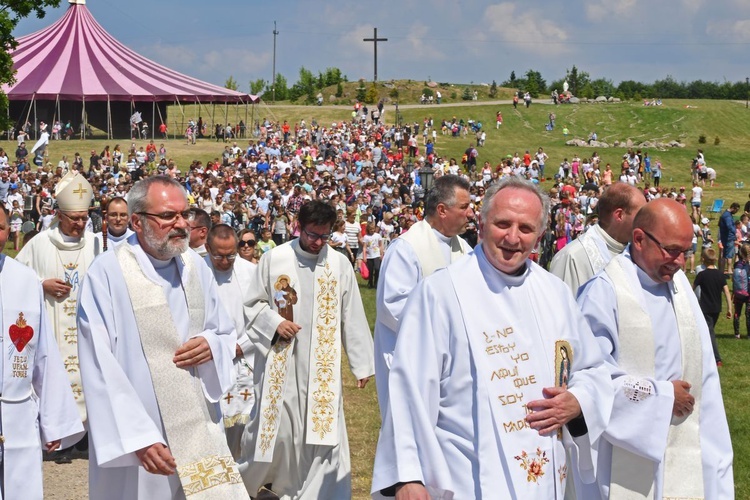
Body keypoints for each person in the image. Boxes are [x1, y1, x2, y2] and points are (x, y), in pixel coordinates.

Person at [371, 177, 612, 499]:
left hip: (542, 478)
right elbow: (409, 389)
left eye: (525, 229)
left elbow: (593, 368)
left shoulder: (554, 293)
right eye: (502, 224)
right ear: (482, 225)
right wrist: (407, 476)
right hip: (466, 474)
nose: (513, 238)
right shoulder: (440, 293)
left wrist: (578, 400)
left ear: (539, 236)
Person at [77, 176, 246, 499]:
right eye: (169, 216)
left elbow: (223, 330)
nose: (181, 224)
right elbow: (99, 363)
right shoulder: (108, 273)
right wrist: (137, 437)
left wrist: (211, 345)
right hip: (143, 429)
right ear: (137, 222)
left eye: (184, 214)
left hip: (197, 423)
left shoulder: (195, 266)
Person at [577, 198, 733, 499]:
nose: (679, 262)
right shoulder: (603, 292)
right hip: (627, 453)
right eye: (672, 250)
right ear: (638, 239)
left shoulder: (681, 288)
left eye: (686, 252)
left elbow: (705, 375)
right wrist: (660, 398)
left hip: (685, 443)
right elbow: (587, 378)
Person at [239, 200, 374, 499]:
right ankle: (261, 483)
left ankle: (315, 491)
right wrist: (274, 323)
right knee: (280, 432)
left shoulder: (338, 264)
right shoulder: (274, 259)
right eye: (312, 234)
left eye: (324, 236)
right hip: (282, 362)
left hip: (321, 367)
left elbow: (351, 314)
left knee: (322, 434)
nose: (317, 242)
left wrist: (362, 363)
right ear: (298, 227)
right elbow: (252, 304)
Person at [0, 204, 85, 499]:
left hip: (17, 413)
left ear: (10, 230)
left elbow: (43, 355)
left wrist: (54, 420)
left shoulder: (25, 280)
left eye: (0, 227)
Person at [373, 175, 473, 417]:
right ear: (442, 210)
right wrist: (446, 331)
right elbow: (393, 306)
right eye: (464, 207)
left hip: (452, 365)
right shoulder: (407, 248)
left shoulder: (465, 250)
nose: (471, 213)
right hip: (412, 359)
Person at [16, 171, 97, 456]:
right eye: (74, 218)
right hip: (52, 330)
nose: (80, 224)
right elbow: (14, 281)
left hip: (87, 331)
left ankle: (88, 437)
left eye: (84, 218)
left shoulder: (97, 244)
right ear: (58, 214)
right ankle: (58, 438)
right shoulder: (39, 244)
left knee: (91, 376)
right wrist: (41, 285)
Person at [204, 224, 257, 460]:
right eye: (219, 256)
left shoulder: (251, 272)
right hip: (209, 358)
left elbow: (260, 317)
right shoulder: (196, 273)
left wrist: (240, 346)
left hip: (244, 356)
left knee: (246, 423)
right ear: (207, 248)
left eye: (231, 255)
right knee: (211, 423)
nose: (225, 261)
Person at [550, 182, 646, 295]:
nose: (646, 221)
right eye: (641, 215)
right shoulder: (573, 257)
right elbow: (560, 308)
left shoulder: (638, 253)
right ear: (619, 215)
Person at [694, 248, 732, 365]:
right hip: (716, 308)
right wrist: (729, 308)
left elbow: (692, 289)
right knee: (707, 331)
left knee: (709, 332)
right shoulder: (720, 275)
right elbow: (726, 292)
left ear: (703, 259)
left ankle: (716, 359)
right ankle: (705, 354)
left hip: (705, 307)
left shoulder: (701, 275)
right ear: (715, 260)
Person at [732, 243, 750, 339]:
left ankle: (737, 334)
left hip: (738, 293)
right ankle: (749, 334)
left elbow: (734, 279)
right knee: (748, 314)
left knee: (737, 313)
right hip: (748, 293)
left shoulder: (736, 265)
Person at [718, 202, 740, 274]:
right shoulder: (727, 216)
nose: (736, 212)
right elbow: (729, 226)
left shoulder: (725, 214)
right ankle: (729, 270)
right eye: (736, 210)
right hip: (728, 238)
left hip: (725, 237)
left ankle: (722, 270)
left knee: (725, 254)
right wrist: (735, 232)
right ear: (733, 208)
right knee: (729, 255)